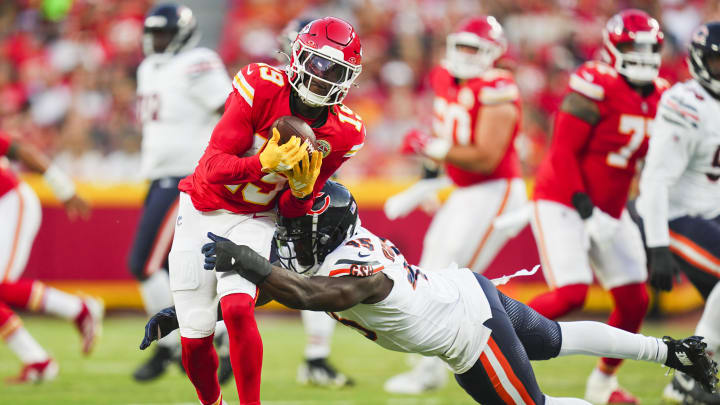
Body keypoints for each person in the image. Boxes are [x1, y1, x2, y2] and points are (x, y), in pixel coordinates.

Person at [141, 181, 719, 405]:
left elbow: (314, 296)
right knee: (558, 339)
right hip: (467, 292)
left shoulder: (357, 266)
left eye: (300, 226)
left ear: (325, 227)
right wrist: (185, 313)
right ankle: (672, 352)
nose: (290, 233)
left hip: (469, 333)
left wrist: (245, 260)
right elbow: (289, 287)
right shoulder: (337, 243)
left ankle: (668, 359)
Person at [169, 16, 365, 405]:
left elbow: (293, 215)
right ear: (297, 57)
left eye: (335, 71)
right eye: (315, 64)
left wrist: (302, 191)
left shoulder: (346, 132)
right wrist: (262, 163)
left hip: (256, 218)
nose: (322, 78)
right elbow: (210, 168)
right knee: (194, 333)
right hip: (202, 206)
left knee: (239, 307)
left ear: (349, 78)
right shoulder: (260, 85)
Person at [525, 10, 668, 404]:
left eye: (648, 47)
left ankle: (603, 383)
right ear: (612, 47)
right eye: (632, 46)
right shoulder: (595, 83)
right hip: (564, 199)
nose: (641, 55)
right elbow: (564, 152)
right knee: (572, 294)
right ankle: (489, 336)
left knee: (634, 300)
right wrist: (585, 208)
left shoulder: (661, 94)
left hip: (611, 208)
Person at [388, 15, 527, 394]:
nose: (465, 55)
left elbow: (486, 158)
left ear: (493, 53)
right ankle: (428, 369)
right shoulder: (444, 78)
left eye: (474, 48)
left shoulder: (499, 87)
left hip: (496, 191)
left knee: (454, 281)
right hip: (465, 192)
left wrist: (432, 149)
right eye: (461, 46)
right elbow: (446, 136)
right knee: (429, 273)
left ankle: (448, 367)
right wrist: (429, 179)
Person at [131, 3, 234, 383]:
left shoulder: (199, 62)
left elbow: (231, 110)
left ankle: (170, 345)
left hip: (187, 177)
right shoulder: (148, 68)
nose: (157, 41)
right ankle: (210, 340)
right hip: (159, 176)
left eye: (164, 34)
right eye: (153, 34)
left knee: (142, 264)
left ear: (183, 35)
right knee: (175, 270)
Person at [631, 21, 720, 405]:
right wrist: (658, 245)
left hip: (711, 215)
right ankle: (691, 371)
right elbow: (655, 181)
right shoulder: (687, 103)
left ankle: (697, 370)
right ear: (699, 62)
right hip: (674, 217)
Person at [0, 131, 103, 383]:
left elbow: (22, 151)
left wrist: (64, 188)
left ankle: (77, 312)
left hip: (10, 201)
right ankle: (39, 360)